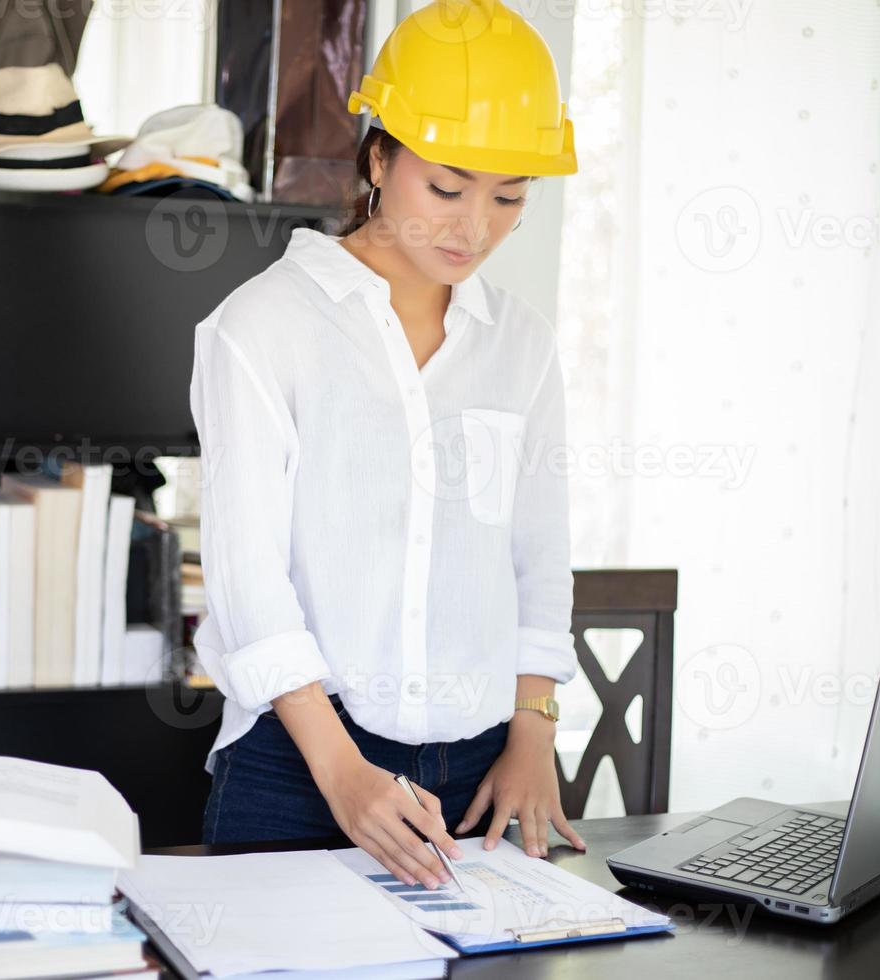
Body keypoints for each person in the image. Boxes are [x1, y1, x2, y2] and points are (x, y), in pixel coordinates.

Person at [189, 0, 585, 892]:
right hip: (298, 765)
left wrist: (532, 730)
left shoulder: (522, 345)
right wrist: (342, 774)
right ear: (378, 157)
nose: (473, 226)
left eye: (510, 195)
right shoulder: (261, 328)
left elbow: (538, 556)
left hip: (484, 773)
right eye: (448, 187)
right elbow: (248, 580)